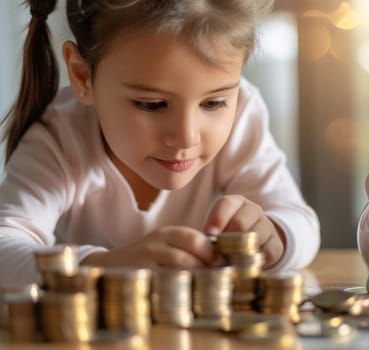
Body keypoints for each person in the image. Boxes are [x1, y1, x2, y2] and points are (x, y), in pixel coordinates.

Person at [0, 0, 320, 285]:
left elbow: (300, 221)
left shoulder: (243, 113)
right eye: (151, 104)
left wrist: (274, 235)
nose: (186, 137)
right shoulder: (60, 138)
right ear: (83, 77)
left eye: (213, 103)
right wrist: (103, 268)